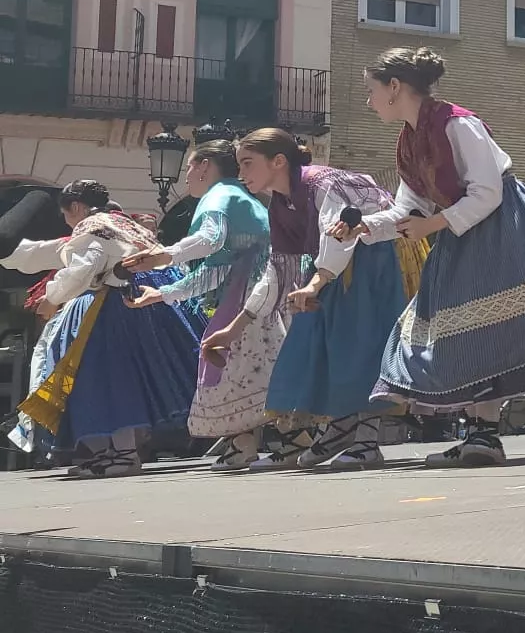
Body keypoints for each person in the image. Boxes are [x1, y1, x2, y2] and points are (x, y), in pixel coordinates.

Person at [346, 46, 525, 467]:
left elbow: (488, 191)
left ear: (395, 87)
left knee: (487, 331)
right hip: (459, 231)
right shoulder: (409, 142)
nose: (367, 100)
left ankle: (484, 436)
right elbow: (408, 208)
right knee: (465, 333)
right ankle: (478, 435)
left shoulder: (459, 124)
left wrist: (432, 225)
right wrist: (365, 228)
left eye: (371, 90)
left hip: (501, 227)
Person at [238, 128, 424, 471]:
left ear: (278, 161)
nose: (242, 174)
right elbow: (279, 267)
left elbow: (338, 234)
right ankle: (339, 427)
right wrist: (239, 324)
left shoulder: (321, 183)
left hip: (375, 257)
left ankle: (365, 439)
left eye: (248, 164)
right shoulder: (280, 202)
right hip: (336, 267)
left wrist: (315, 284)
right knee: (318, 343)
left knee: (363, 344)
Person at [1, 181, 203, 478]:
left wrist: (52, 298)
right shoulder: (122, 224)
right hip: (149, 307)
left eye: (67, 215)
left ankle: (121, 453)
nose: (69, 223)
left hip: (113, 308)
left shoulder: (91, 226)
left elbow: (82, 266)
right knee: (128, 377)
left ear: (77, 207)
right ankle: (116, 451)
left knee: (105, 377)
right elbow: (54, 252)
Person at [124, 142, 283, 472]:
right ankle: (255, 442)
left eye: (189, 169)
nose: (187, 179)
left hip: (256, 294)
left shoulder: (219, 196)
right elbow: (217, 269)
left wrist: (165, 256)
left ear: (205, 166)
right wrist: (164, 292)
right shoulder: (242, 198)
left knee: (231, 359)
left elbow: (210, 240)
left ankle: (253, 443)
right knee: (255, 362)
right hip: (265, 288)